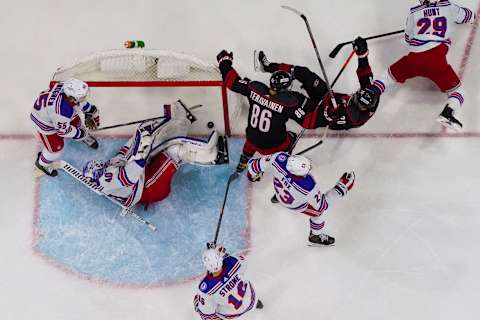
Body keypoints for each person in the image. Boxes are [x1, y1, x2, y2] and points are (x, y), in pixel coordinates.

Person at [82, 102, 229, 208]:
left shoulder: (105, 170)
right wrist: (141, 153)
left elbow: (124, 153)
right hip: (148, 190)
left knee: (158, 140)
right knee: (173, 151)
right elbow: (129, 176)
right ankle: (214, 156)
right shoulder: (106, 180)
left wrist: (139, 136)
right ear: (97, 174)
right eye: (99, 167)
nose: (101, 164)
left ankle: (181, 123)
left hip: (142, 177)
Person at [372, 0, 476, 131]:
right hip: (437, 61)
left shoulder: (414, 12)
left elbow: (408, 39)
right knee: (458, 92)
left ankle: (371, 93)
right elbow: (469, 16)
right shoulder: (449, 7)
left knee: (387, 76)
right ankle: (447, 113)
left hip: (414, 59)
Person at [256, 36, 380, 132]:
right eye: (356, 96)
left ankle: (264, 97)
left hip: (315, 115)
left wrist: (331, 113)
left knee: (291, 98)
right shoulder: (372, 93)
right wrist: (362, 54)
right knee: (304, 73)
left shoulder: (354, 118)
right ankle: (268, 67)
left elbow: (329, 121)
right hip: (327, 96)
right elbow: (365, 74)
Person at [247, 152, 355, 245]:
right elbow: (323, 205)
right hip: (294, 203)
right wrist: (341, 187)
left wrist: (252, 174)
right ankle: (315, 236)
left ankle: (278, 198)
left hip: (280, 192)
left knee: (284, 190)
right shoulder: (308, 185)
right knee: (319, 214)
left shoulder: (279, 158)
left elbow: (253, 165)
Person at [31, 78, 100, 177]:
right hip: (45, 123)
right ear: (71, 98)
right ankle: (42, 164)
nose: (84, 98)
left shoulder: (67, 88)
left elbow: (78, 102)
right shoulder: (62, 111)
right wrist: (80, 133)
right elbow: (64, 132)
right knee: (55, 149)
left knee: (76, 123)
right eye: (81, 97)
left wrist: (90, 110)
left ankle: (82, 136)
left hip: (55, 113)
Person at [194, 244, 263, 320]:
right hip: (252, 300)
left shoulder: (206, 289)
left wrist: (198, 304)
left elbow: (206, 314)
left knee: (198, 302)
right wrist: (224, 255)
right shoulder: (233, 262)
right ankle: (257, 304)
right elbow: (244, 262)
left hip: (234, 315)